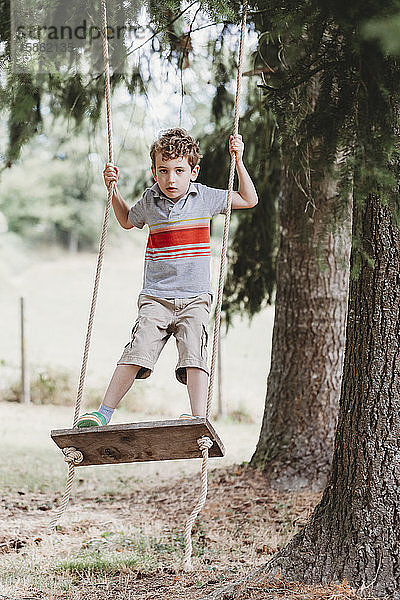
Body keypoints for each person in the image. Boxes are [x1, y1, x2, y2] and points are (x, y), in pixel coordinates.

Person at [76, 127, 258, 427]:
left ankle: (198, 419)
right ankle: (103, 414)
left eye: (178, 170)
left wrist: (238, 160)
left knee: (194, 354)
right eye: (163, 170)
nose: (170, 179)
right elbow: (125, 220)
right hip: (156, 298)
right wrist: (114, 190)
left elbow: (248, 198)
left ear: (193, 171)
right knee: (137, 349)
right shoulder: (150, 200)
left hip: (195, 298)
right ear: (154, 171)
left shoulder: (206, 198)